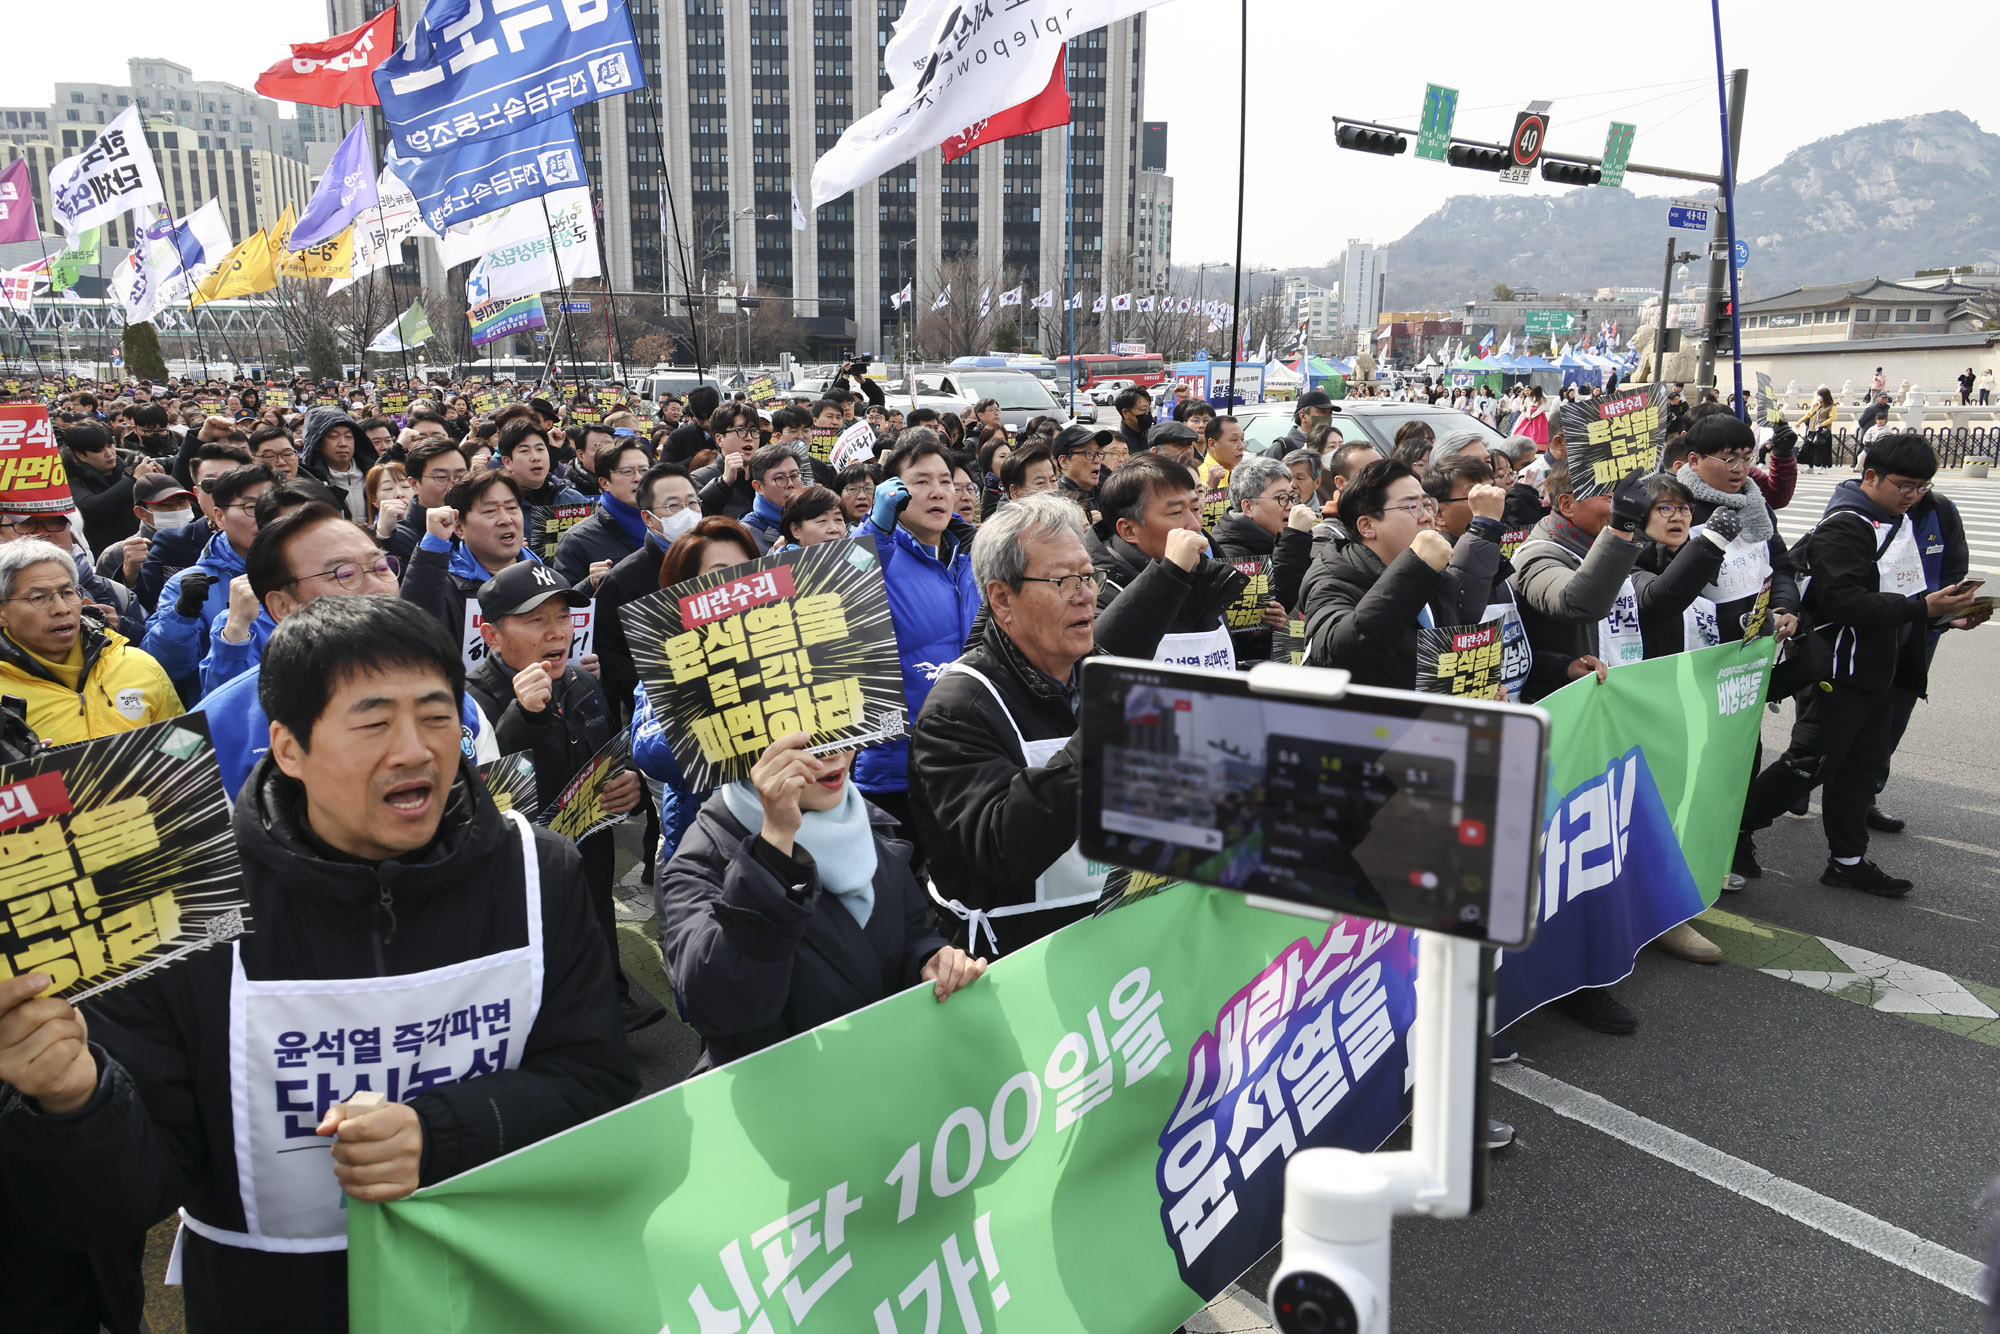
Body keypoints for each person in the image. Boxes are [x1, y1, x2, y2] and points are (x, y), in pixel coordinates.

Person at [0, 595, 638, 1332]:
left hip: (504, 1289)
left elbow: (598, 1084)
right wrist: (72, 1101)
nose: (414, 750)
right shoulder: (179, 910)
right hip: (271, 1305)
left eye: (437, 717)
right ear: (288, 746)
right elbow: (116, 1202)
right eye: (372, 722)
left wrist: (444, 1132)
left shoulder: (538, 870)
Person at [910, 494, 1177, 953]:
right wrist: (1097, 738)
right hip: (1017, 970)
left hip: (1122, 951)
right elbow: (1001, 848)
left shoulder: (1102, 672)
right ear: (1001, 598)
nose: (1087, 595)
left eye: (1090, 577)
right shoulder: (958, 709)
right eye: (1062, 581)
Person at [1736, 434, 1984, 898]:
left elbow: (1906, 590)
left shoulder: (1898, 517)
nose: (1914, 495)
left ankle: (1847, 861)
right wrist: (1920, 610)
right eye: (1905, 485)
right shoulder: (1847, 525)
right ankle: (1734, 833)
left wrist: (1947, 615)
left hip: (1881, 669)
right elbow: (1844, 603)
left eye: (1922, 487)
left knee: (1860, 767)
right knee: (1809, 765)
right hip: (1840, 669)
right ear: (1870, 475)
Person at [657, 728, 986, 1071]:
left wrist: (929, 960)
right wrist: (774, 846)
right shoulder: (705, 856)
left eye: (844, 727)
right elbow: (721, 1006)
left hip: (884, 1078)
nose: (836, 753)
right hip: (782, 1099)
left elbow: (910, 931)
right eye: (806, 741)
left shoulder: (860, 819)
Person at [465, 561, 663, 1032]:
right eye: (535, 621)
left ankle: (611, 998)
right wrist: (523, 716)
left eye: (563, 617)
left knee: (595, 919)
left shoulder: (582, 682)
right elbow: (488, 800)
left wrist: (630, 789)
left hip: (589, 847)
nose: (556, 633)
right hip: (521, 862)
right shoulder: (470, 702)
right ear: (492, 636)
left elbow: (613, 756)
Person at [856, 430, 982, 843]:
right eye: (921, 482)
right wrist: (876, 528)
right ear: (892, 492)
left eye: (946, 481)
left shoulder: (975, 557)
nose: (938, 492)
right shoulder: (874, 554)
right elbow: (842, 590)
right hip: (894, 768)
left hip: (968, 759)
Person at [1298, 458, 1501, 689]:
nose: (1426, 516)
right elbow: (1335, 656)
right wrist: (1415, 567)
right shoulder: (1334, 578)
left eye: (1427, 505)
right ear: (1367, 526)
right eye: (1411, 507)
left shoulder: (1432, 571)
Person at [0, 539, 180, 743]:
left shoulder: (139, 665)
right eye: (39, 598)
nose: (62, 608)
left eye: (68, 593)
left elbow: (187, 750)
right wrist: (22, 769)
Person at [1088, 452, 1247, 670]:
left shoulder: (1204, 575)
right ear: (1128, 530)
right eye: (1175, 513)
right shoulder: (1093, 589)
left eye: (1195, 509)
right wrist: (1170, 573)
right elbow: (1099, 661)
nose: (1194, 525)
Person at [142, 462, 274, 700]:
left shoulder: (306, 570)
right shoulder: (187, 585)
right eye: (251, 507)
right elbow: (160, 669)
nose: (264, 517)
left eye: (272, 506)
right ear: (220, 517)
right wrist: (181, 616)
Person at [401, 468, 551, 640]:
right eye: (490, 511)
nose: (506, 519)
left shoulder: (545, 576)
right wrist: (432, 546)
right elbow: (411, 632)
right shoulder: (444, 585)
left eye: (511, 508)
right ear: (459, 528)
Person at [1211, 455, 1316, 664]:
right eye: (1281, 498)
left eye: (1292, 497)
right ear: (1248, 507)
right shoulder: (1228, 551)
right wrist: (1294, 538)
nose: (1290, 506)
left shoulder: (1280, 536)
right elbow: (1282, 598)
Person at [553, 435, 650, 589]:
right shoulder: (576, 540)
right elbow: (562, 605)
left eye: (644, 470)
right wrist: (589, 584)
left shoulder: (664, 525)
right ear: (604, 483)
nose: (638, 478)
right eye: (627, 472)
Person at [61, 421, 161, 555]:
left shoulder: (129, 463)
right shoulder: (70, 477)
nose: (109, 454)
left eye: (110, 446)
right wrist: (133, 480)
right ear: (80, 455)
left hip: (144, 548)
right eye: (99, 450)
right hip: (104, 554)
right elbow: (92, 507)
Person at [384, 438, 469, 563]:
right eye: (441, 477)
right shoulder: (397, 539)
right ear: (414, 484)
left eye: (460, 477)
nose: (453, 485)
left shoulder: (481, 525)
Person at [296, 409, 374, 521]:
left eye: (348, 437)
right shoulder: (309, 484)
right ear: (317, 444)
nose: (343, 443)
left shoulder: (372, 474)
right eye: (333, 437)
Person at [496, 418, 590, 508]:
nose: (536, 457)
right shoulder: (498, 505)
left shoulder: (574, 500)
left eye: (540, 449)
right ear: (507, 462)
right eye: (524, 451)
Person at [693, 402, 763, 521]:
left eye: (754, 431)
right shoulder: (698, 478)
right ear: (719, 439)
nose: (749, 438)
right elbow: (695, 515)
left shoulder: (765, 475)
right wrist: (723, 483)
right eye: (741, 430)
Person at [737, 442, 808, 554]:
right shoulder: (743, 535)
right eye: (780, 478)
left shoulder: (814, 520)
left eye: (795, 476)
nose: (790, 484)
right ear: (758, 487)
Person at [1051, 423, 1108, 517]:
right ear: (1064, 461)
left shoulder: (1104, 493)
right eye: (1089, 453)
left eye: (1098, 453)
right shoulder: (1058, 504)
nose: (1097, 460)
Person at [1266, 388, 1333, 458]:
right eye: (1322, 412)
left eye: (1330, 413)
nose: (1328, 417)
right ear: (1303, 416)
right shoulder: (1280, 448)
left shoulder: (1332, 446)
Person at [779, 484, 850, 548]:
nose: (834, 529)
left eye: (838, 519)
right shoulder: (780, 561)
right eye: (822, 520)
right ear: (796, 530)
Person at [1800, 388, 1836, 471]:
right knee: (1811, 449)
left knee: (1823, 450)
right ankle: (1810, 467)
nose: (1819, 397)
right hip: (1812, 430)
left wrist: (1822, 424)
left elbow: (1832, 418)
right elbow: (1809, 414)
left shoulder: (1831, 407)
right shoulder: (1816, 405)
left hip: (1823, 432)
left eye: (1820, 395)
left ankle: (1824, 467)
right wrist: (1800, 422)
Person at [1111, 385, 1152, 455]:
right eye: (1143, 410)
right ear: (1126, 413)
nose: (1147, 413)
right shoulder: (1116, 444)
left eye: (1149, 409)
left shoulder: (1154, 437)